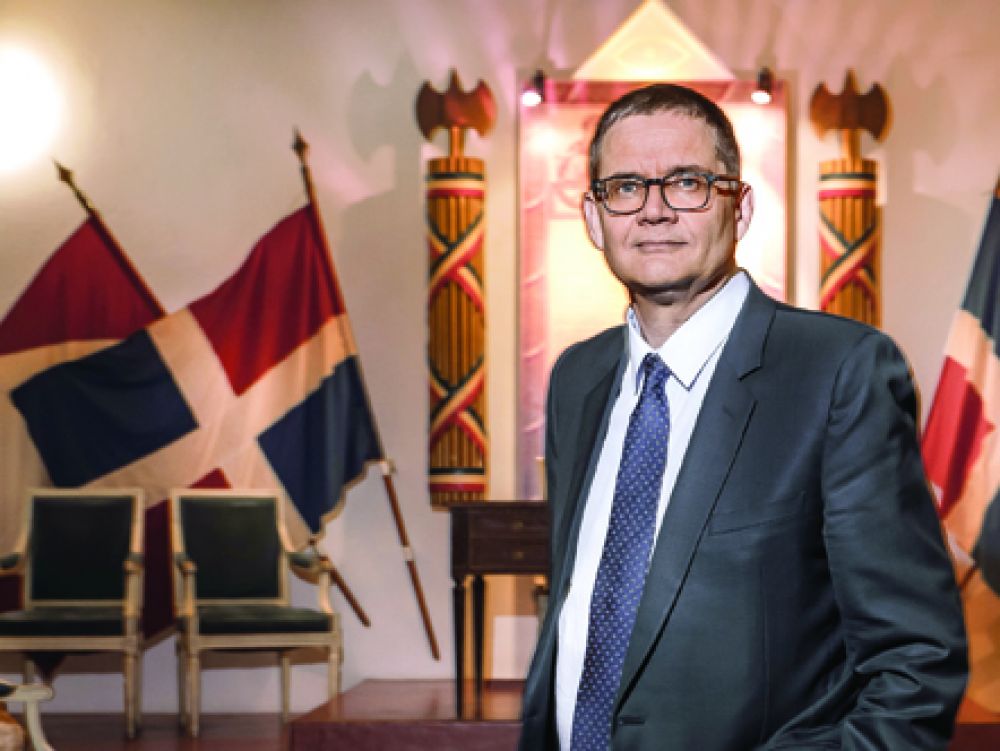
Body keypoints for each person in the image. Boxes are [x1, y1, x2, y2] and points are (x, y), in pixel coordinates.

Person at [518, 83, 968, 751]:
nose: (654, 210)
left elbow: (916, 664)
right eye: (625, 187)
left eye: (688, 182)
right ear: (593, 217)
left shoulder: (838, 371)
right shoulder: (577, 380)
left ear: (742, 207)